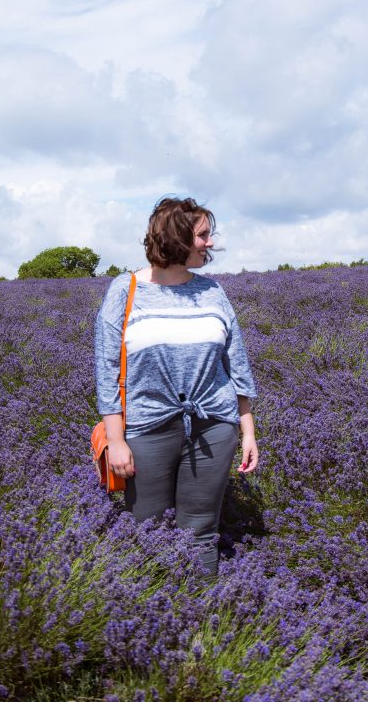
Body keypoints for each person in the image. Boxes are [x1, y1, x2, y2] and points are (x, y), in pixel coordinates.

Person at [94, 196, 258, 578]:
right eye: (202, 235)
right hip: (147, 426)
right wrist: (116, 440)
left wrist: (248, 431)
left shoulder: (213, 291)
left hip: (214, 425)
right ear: (176, 237)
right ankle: (150, 607)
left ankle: (204, 608)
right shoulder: (125, 290)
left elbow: (237, 365)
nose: (210, 243)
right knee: (147, 531)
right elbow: (106, 371)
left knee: (201, 532)